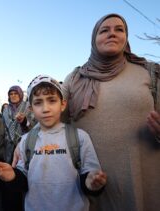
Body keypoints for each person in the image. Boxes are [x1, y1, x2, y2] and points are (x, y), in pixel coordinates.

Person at [61, 13, 160, 211]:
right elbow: (53, 123)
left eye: (119, 29)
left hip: (141, 183)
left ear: (126, 37)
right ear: (93, 38)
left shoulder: (150, 73)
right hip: (88, 184)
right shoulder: (74, 78)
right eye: (104, 30)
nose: (112, 34)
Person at [0, 75, 107, 211]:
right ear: (30, 108)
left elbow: (89, 174)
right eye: (38, 103)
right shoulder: (26, 140)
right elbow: (23, 177)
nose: (45, 108)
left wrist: (91, 182)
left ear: (62, 104)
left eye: (52, 100)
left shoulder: (79, 137)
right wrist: (13, 177)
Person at [0, 85, 36, 211]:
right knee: (7, 175)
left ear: (20, 94)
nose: (13, 96)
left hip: (23, 146)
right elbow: (3, 126)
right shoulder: (6, 109)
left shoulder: (28, 107)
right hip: (8, 146)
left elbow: (34, 126)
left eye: (15, 93)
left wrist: (24, 122)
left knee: (20, 174)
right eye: (11, 94)